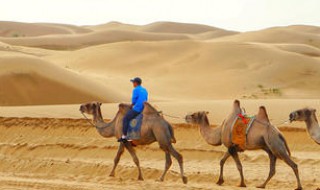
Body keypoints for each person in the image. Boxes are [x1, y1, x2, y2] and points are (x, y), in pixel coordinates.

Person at [118, 77, 148, 142]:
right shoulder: (144, 89)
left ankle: (125, 136)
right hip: (144, 108)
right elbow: (145, 98)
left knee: (126, 118)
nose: (133, 84)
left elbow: (134, 100)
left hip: (138, 108)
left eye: (133, 82)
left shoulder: (135, 89)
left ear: (136, 83)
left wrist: (132, 105)